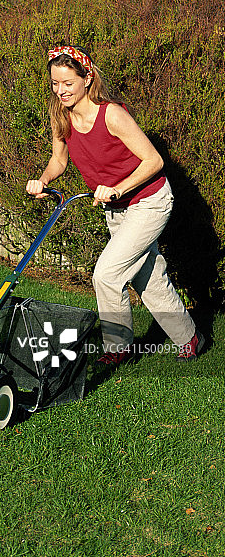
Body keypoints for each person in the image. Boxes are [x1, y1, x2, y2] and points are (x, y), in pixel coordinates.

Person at [26, 45, 203, 365]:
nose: (60, 90)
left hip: (149, 201)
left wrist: (117, 189)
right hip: (117, 208)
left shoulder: (112, 114)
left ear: (87, 78)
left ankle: (117, 347)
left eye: (68, 83)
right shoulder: (59, 116)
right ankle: (189, 337)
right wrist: (44, 180)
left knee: (106, 274)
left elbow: (154, 160)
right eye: (54, 83)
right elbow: (58, 160)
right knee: (147, 277)